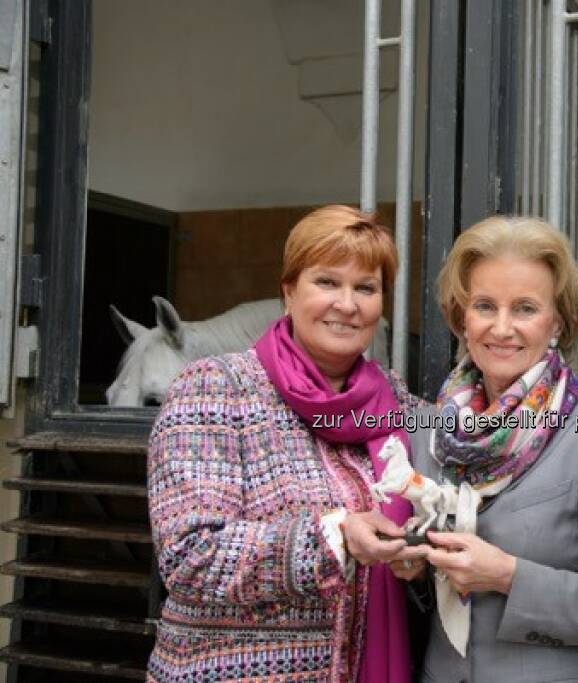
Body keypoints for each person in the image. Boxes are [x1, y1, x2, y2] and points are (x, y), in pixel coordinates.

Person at [146, 205, 425, 683]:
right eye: (327, 283)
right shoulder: (217, 387)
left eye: (366, 288)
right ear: (289, 291)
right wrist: (333, 536)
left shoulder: (391, 397)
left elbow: (470, 439)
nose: (348, 304)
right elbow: (189, 556)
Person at [391, 216, 578, 682]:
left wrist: (509, 577)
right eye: (484, 306)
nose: (501, 328)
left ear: (557, 321)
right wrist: (414, 572)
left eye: (524, 308)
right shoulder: (428, 431)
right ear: (462, 317)